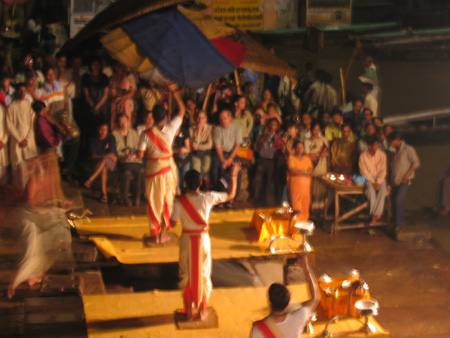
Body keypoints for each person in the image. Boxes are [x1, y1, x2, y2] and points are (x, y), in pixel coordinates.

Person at [171, 163, 241, 321]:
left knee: (186, 274)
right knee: (203, 274)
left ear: (185, 183)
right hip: (202, 240)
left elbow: (173, 223)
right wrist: (234, 174)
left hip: (186, 240)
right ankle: (202, 309)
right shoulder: (208, 197)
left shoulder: (179, 202)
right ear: (201, 183)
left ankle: (188, 309)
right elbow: (230, 195)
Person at [137, 83, 186, 243]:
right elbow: (182, 111)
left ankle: (155, 235)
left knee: (153, 202)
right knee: (167, 201)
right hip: (168, 170)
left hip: (153, 171)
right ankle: (163, 234)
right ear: (165, 116)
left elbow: (140, 155)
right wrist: (175, 93)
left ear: (152, 117)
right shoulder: (171, 128)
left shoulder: (146, 134)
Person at [250, 253, 320, 338]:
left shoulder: (258, 328)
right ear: (287, 302)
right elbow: (315, 297)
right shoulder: (298, 318)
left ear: (270, 301)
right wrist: (306, 267)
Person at [6, 83, 38, 191]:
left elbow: (33, 123)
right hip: (17, 142)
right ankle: (19, 193)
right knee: (17, 168)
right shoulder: (11, 107)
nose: (23, 93)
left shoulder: (29, 106)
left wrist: (27, 139)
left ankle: (31, 193)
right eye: (20, 91)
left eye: (25, 91)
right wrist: (20, 140)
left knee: (31, 167)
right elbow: (9, 125)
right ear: (16, 92)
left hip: (28, 141)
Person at [387, 132, 420, 233]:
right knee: (395, 201)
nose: (390, 143)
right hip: (395, 180)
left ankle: (399, 223)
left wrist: (406, 175)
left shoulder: (408, 149)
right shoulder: (395, 151)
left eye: (391, 141)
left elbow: (416, 163)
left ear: (397, 140)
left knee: (398, 200)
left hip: (404, 180)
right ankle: (395, 221)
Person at [211, 108, 242, 208]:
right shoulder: (217, 129)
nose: (223, 121)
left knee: (237, 169)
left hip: (232, 154)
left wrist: (230, 159)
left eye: (225, 118)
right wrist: (223, 160)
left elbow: (237, 145)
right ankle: (219, 197)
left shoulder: (237, 128)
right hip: (221, 154)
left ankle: (233, 196)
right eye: (221, 119)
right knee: (215, 170)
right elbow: (218, 146)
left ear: (230, 118)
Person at [112, 114, 143, 206]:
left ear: (128, 122)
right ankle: (124, 196)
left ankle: (137, 196)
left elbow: (138, 148)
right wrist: (123, 156)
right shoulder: (114, 134)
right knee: (127, 173)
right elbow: (114, 150)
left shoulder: (133, 133)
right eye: (121, 123)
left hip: (133, 161)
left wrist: (134, 155)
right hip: (121, 161)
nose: (123, 125)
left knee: (141, 171)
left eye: (125, 122)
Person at [84, 122, 117, 204]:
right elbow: (93, 156)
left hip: (111, 163)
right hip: (97, 164)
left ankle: (91, 179)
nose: (103, 132)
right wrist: (106, 156)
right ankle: (104, 194)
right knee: (104, 166)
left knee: (105, 161)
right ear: (97, 130)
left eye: (105, 130)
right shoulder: (93, 139)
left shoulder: (111, 138)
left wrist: (106, 156)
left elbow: (112, 155)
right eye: (101, 130)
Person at [253, 118, 283, 206]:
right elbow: (256, 148)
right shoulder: (262, 134)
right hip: (262, 159)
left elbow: (280, 149)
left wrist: (276, 140)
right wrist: (263, 138)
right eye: (271, 124)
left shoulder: (279, 136)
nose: (272, 126)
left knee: (270, 182)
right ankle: (256, 199)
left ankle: (269, 202)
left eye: (274, 125)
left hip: (273, 161)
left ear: (277, 127)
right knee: (258, 179)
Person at [359, 136, 387, 224]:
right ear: (369, 146)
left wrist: (378, 181)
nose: (376, 147)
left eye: (377, 145)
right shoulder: (363, 156)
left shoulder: (382, 155)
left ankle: (374, 215)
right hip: (368, 178)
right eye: (374, 145)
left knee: (383, 190)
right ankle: (375, 215)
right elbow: (364, 172)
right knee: (370, 192)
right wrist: (373, 182)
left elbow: (383, 170)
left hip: (379, 178)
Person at [305, 123, 329, 213]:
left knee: (321, 189)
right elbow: (306, 155)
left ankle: (321, 211)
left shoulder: (323, 141)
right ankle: (311, 211)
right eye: (314, 129)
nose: (316, 132)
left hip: (321, 168)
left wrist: (316, 155)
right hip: (311, 168)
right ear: (311, 130)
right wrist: (318, 155)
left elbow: (326, 153)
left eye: (318, 130)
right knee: (312, 190)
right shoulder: (307, 141)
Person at [287, 140, 313, 221]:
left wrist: (300, 172)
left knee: (305, 203)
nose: (299, 149)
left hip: (306, 187)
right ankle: (296, 224)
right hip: (295, 186)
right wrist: (304, 172)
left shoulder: (307, 158)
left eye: (301, 147)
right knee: (296, 204)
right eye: (297, 148)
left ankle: (304, 222)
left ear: (304, 148)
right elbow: (292, 171)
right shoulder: (291, 158)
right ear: (295, 149)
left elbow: (310, 171)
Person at [189, 111, 213, 189]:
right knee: (196, 168)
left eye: (202, 118)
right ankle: (196, 189)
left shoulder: (210, 128)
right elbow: (193, 146)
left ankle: (207, 189)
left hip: (206, 153)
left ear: (206, 119)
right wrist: (198, 132)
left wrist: (198, 147)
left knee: (206, 168)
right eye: (198, 118)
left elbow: (209, 145)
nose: (200, 120)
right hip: (196, 154)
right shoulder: (191, 129)